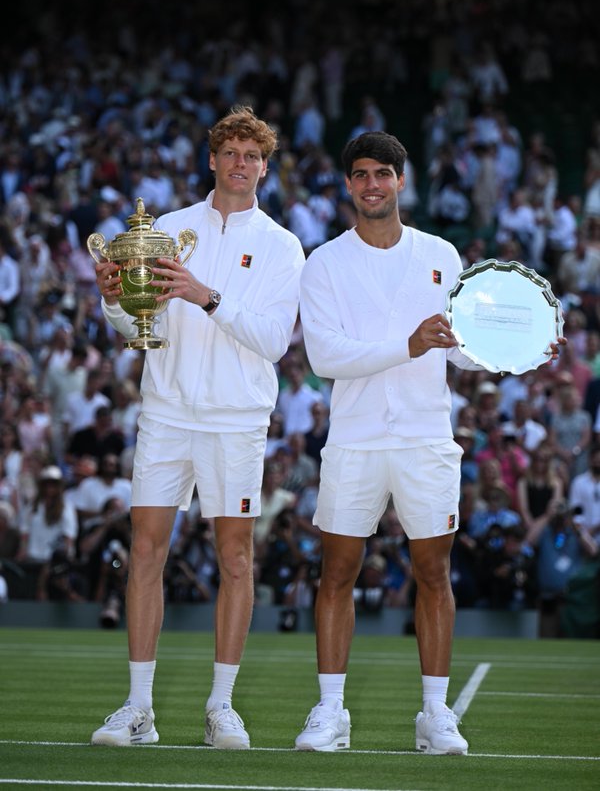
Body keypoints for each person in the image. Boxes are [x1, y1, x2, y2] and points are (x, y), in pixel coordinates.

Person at [294, 130, 564, 756]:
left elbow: (463, 349)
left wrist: (520, 352)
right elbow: (325, 356)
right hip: (355, 439)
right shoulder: (324, 263)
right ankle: (330, 713)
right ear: (347, 185)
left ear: (401, 180)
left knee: (433, 573)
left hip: (425, 438)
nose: (371, 184)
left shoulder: (441, 253)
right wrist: (408, 346)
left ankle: (435, 716)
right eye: (360, 174)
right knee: (337, 573)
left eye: (382, 173)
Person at [90, 105, 305, 748]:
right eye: (230, 153)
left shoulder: (282, 245)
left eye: (252, 156)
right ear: (212, 159)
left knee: (236, 558)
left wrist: (204, 294)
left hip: (236, 421)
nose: (240, 165)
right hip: (165, 412)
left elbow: (272, 341)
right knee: (146, 552)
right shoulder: (165, 230)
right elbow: (138, 331)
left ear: (265, 167)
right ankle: (138, 710)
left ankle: (221, 708)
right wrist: (111, 299)